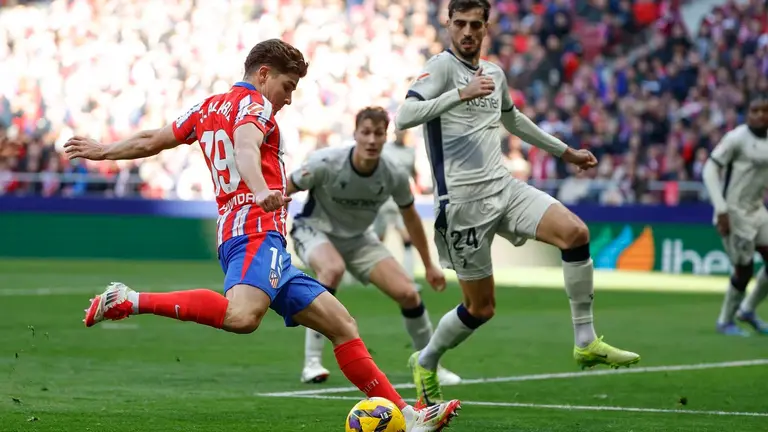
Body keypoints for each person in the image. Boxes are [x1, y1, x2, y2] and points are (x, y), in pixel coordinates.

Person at [63, 38, 460, 431]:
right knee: (242, 316)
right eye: (287, 87)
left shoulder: (207, 107)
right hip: (254, 228)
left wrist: (105, 151)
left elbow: (153, 139)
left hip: (261, 239)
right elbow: (246, 148)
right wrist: (257, 188)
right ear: (264, 73)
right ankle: (129, 299)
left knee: (342, 326)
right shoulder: (255, 105)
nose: (287, 99)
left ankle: (408, 417)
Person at [394, 0, 640, 406]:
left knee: (575, 233)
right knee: (481, 308)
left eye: (476, 24)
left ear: (486, 27)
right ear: (449, 26)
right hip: (462, 205)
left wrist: (565, 152)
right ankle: (427, 359)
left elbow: (514, 119)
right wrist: (460, 93)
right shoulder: (440, 68)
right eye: (460, 24)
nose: (468, 31)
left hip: (505, 188)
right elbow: (405, 116)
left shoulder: (495, 73)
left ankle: (585, 341)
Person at [287, 107, 461, 386]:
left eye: (378, 134)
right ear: (355, 134)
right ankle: (312, 363)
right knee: (331, 270)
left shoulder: (393, 173)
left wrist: (429, 265)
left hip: (359, 238)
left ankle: (430, 366)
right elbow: (286, 187)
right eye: (365, 133)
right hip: (314, 229)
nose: (371, 140)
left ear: (385, 136)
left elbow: (411, 217)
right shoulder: (326, 161)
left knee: (408, 293)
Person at [702, 94, 768, 336]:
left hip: (757, 210)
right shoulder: (736, 138)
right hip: (734, 212)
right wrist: (721, 208)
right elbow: (709, 169)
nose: (760, 115)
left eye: (765, 110)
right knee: (744, 270)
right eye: (755, 110)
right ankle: (725, 320)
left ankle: (747, 310)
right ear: (748, 114)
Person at [372, 129, 419, 283]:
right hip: (384, 201)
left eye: (403, 131)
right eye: (398, 131)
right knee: (378, 239)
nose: (400, 134)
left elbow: (413, 173)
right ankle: (373, 272)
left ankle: (408, 274)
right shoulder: (386, 149)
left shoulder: (411, 152)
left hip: (401, 201)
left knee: (406, 237)